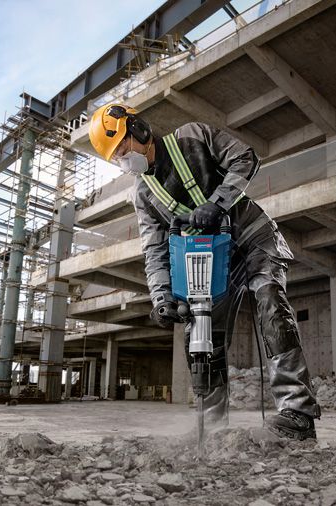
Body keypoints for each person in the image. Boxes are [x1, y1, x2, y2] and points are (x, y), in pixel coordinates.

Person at [88, 103, 321, 440]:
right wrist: (162, 297)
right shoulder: (143, 195)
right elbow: (154, 250)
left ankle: (298, 413)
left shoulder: (193, 136)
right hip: (212, 262)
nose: (125, 160)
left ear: (139, 129)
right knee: (201, 334)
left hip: (253, 238)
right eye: (118, 157)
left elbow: (245, 158)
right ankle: (212, 429)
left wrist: (218, 202)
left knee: (270, 300)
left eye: (124, 148)